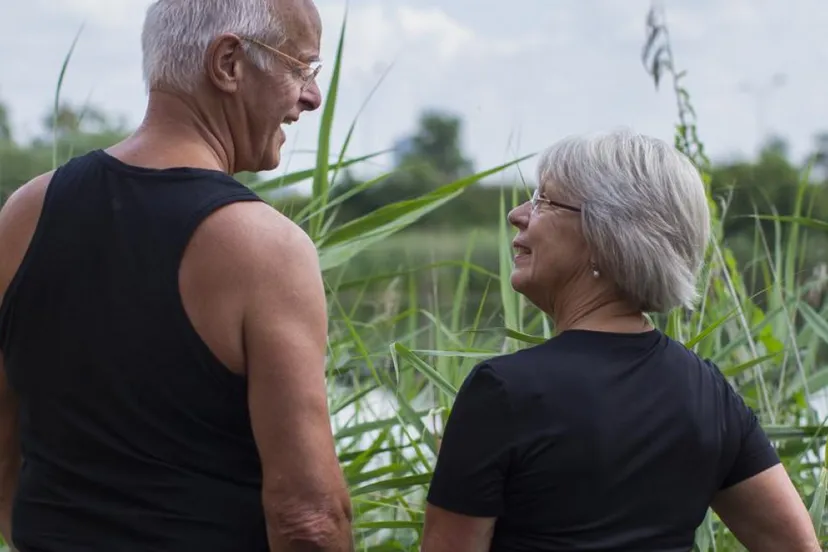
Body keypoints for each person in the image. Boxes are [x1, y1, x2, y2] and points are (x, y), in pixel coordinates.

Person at [0, 0, 354, 550]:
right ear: (229, 64)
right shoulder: (264, 249)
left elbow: (4, 445)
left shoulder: (25, 212)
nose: (311, 96)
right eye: (300, 68)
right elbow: (307, 518)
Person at [421, 130, 820, 552]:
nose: (518, 214)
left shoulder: (503, 392)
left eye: (544, 201)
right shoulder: (707, 391)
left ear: (603, 234)